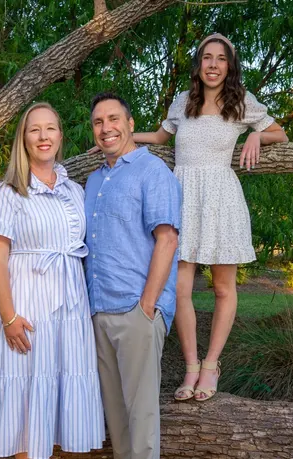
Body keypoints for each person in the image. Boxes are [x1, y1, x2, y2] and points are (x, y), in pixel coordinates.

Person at [132, 33, 288, 401]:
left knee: (221, 288)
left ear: (230, 66)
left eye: (221, 58)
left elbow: (279, 133)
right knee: (181, 288)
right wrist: (119, 139)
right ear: (199, 64)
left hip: (221, 198)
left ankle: (211, 365)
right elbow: (159, 137)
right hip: (183, 196)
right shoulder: (183, 102)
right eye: (207, 57)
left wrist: (254, 136)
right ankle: (190, 365)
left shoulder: (241, 102)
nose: (214, 64)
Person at [0, 103, 105, 459]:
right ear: (23, 139)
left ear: (60, 136)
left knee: (58, 397)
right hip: (25, 307)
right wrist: (9, 318)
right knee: (23, 403)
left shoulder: (74, 190)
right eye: (34, 130)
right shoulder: (7, 193)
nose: (43, 137)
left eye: (50, 129)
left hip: (70, 306)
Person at [86, 92, 182, 459]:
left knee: (141, 421)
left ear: (130, 124)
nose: (106, 127)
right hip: (99, 311)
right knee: (117, 419)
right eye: (98, 122)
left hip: (136, 311)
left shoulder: (153, 172)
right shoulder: (94, 181)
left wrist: (147, 307)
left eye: (113, 119)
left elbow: (167, 239)